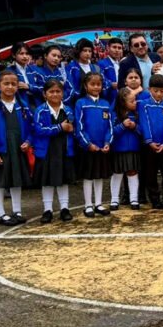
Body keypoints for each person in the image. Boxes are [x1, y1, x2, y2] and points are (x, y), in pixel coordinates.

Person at [0, 70, 32, 226]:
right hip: (1, 149)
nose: (10, 87)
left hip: (18, 148)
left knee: (16, 179)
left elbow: (31, 127)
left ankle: (17, 211)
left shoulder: (23, 105)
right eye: (6, 83)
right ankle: (0, 213)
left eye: (13, 84)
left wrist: (28, 141)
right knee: (0, 181)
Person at [32, 79, 76, 223]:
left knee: (63, 179)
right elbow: (38, 130)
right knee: (47, 181)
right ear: (44, 94)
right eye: (51, 91)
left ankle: (64, 208)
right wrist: (59, 127)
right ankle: (47, 209)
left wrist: (71, 129)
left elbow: (73, 127)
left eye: (58, 91)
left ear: (63, 93)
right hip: (47, 150)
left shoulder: (68, 110)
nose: (55, 94)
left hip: (64, 149)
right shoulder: (40, 110)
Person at [75, 72, 114, 218]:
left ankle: (98, 203)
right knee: (88, 176)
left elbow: (110, 126)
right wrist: (87, 144)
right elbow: (79, 127)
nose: (96, 87)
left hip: (102, 147)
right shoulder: (81, 103)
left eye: (99, 84)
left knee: (99, 175)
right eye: (92, 84)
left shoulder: (105, 104)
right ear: (86, 86)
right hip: (88, 147)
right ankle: (88, 205)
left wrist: (107, 142)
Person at [138, 74, 163, 209]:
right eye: (156, 91)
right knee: (150, 173)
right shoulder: (144, 105)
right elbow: (144, 123)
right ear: (149, 89)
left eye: (162, 91)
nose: (159, 94)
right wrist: (150, 141)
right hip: (150, 146)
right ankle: (154, 200)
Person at [110, 87, 143, 210]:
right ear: (123, 102)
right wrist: (122, 126)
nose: (135, 103)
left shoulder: (136, 114)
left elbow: (142, 131)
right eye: (132, 101)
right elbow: (111, 132)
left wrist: (134, 126)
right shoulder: (114, 115)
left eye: (135, 100)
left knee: (132, 172)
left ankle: (134, 199)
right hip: (118, 149)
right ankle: (114, 199)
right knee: (117, 173)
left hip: (133, 148)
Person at [65, 39, 100, 107]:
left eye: (90, 51)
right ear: (78, 51)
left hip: (94, 103)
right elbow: (69, 87)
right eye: (84, 50)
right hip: (77, 103)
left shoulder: (96, 68)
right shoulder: (71, 67)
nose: (87, 53)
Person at [9, 41, 35, 109]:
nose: (25, 56)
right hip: (18, 105)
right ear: (14, 55)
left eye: (27, 53)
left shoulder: (34, 70)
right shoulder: (8, 72)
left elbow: (43, 87)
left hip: (35, 104)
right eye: (21, 53)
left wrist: (29, 86)